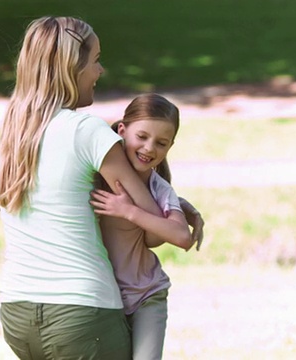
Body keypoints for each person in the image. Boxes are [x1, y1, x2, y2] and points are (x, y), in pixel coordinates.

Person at [0, 16, 204, 360]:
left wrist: (178, 201)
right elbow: (148, 217)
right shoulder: (87, 131)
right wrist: (174, 207)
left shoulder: (18, 129)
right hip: (81, 315)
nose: (100, 71)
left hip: (17, 313)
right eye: (95, 60)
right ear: (72, 69)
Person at [90, 93, 200, 360]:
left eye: (161, 143)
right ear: (122, 130)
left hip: (145, 297)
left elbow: (182, 238)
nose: (150, 148)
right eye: (142, 137)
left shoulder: (159, 188)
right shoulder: (95, 172)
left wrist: (129, 211)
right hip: (102, 298)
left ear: (170, 147)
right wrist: (6, 194)